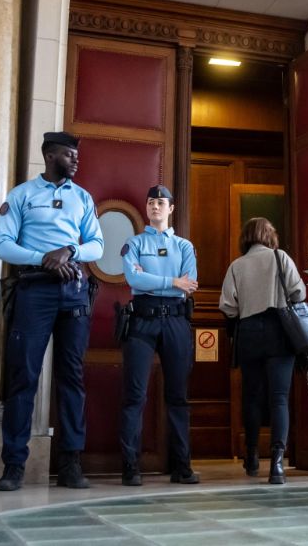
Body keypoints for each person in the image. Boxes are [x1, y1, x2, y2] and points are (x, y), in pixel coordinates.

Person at [0, 131, 104, 492]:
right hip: (34, 291)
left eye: (76, 154)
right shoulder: (21, 195)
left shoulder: (82, 197)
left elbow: (98, 245)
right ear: (50, 155)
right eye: (69, 154)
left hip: (73, 292)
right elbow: (1, 245)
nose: (76, 160)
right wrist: (44, 258)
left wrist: (70, 251)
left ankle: (71, 464)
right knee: (23, 376)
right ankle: (14, 466)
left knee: (71, 378)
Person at [118, 185, 200, 486]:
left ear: (171, 208)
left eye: (161, 202)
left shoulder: (184, 246)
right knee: (135, 395)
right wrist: (172, 281)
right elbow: (133, 278)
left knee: (177, 396)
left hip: (176, 321)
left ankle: (182, 467)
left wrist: (154, 279)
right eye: (151, 201)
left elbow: (190, 283)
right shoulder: (134, 243)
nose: (155, 206)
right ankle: (130, 467)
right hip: (142, 319)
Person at [218, 218, 306, 485]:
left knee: (252, 397)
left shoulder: (237, 265)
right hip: (280, 331)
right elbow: (299, 293)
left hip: (249, 333)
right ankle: (277, 463)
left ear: (245, 237)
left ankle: (252, 455)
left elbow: (228, 306)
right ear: (270, 235)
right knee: (279, 398)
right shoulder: (281, 258)